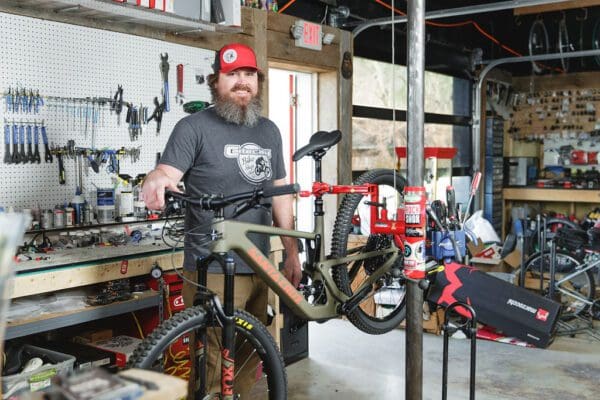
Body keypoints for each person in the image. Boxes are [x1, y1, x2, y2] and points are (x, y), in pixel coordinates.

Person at [142, 42, 301, 398]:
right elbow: (165, 172)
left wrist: (291, 252)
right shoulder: (193, 128)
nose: (242, 82)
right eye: (233, 75)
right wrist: (155, 181)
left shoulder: (269, 131)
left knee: (249, 360)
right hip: (211, 267)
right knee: (214, 364)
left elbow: (280, 195)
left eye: (249, 75)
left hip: (260, 263)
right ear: (216, 81)